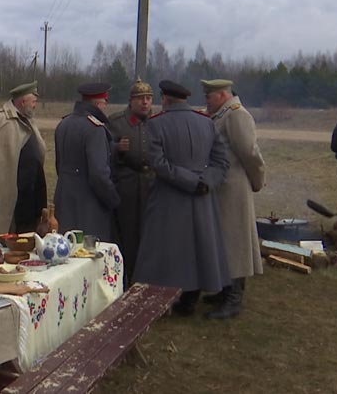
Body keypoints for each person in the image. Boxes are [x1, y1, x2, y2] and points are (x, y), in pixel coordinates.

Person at [134, 80, 231, 316]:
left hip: (170, 196)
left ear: (165, 99)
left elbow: (159, 164)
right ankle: (190, 298)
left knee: (164, 251)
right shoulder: (206, 122)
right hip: (201, 197)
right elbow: (222, 162)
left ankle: (158, 299)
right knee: (199, 249)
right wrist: (205, 181)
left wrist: (190, 181)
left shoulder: (157, 124)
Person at [199, 79, 266, 319]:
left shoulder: (236, 115)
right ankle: (225, 291)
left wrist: (257, 181)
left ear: (222, 95)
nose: (206, 99)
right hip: (223, 188)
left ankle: (234, 298)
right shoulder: (223, 114)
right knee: (224, 242)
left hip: (234, 188)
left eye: (210, 95)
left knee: (235, 243)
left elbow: (249, 153)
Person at [0, 81, 47, 247]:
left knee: (26, 235)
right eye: (33, 101)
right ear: (22, 101)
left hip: (30, 193)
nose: (35, 106)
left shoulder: (29, 122)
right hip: (4, 190)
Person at [54, 82, 119, 241]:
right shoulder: (94, 129)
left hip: (64, 201)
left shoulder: (64, 124)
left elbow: (59, 165)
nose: (105, 107)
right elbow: (99, 175)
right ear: (98, 103)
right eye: (105, 102)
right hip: (89, 207)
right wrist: (114, 200)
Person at [107, 80, 155, 284]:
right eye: (140, 99)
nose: (145, 103)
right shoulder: (116, 122)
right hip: (127, 187)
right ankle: (128, 281)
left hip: (152, 187)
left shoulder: (157, 121)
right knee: (128, 238)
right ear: (131, 101)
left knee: (151, 236)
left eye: (149, 98)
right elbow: (101, 152)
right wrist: (116, 148)